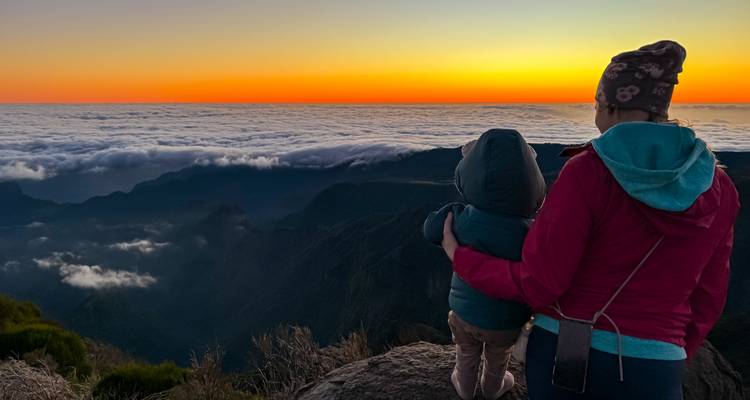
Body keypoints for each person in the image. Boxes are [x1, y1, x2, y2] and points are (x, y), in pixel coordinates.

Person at [440, 40, 740, 399]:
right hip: (659, 366)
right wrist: (669, 353)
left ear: (611, 105)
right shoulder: (719, 187)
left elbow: (539, 282)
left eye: (596, 104)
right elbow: (709, 297)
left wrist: (461, 256)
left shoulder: (587, 173)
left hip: (570, 356)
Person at [423, 129, 546, 399]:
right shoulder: (532, 231)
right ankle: (493, 389)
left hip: (463, 314)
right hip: (506, 322)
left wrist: (447, 217)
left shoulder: (460, 216)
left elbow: (430, 230)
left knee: (466, 352)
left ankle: (465, 387)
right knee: (497, 358)